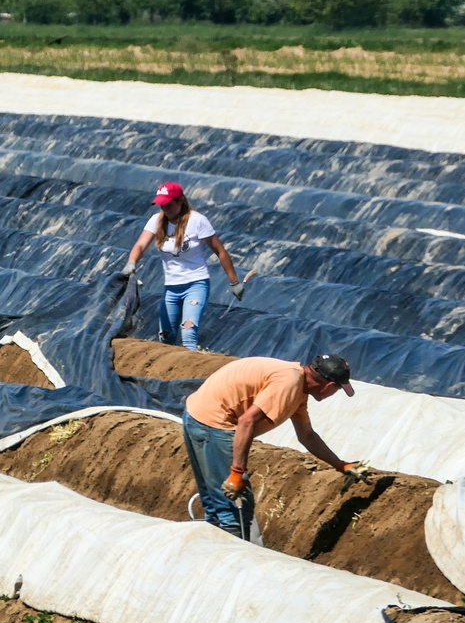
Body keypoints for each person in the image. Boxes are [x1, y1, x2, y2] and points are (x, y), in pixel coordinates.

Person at [181, 353, 370, 539]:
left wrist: (340, 464)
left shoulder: (298, 385)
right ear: (329, 385)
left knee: (215, 505)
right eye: (337, 390)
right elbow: (247, 421)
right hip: (214, 424)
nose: (333, 394)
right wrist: (237, 472)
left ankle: (213, 550)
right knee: (235, 509)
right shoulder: (288, 384)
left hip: (198, 414)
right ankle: (231, 560)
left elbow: (307, 436)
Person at [123, 182, 244, 351]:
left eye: (168, 204)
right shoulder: (157, 221)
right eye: (161, 205)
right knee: (165, 336)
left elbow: (220, 251)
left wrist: (234, 282)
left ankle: (191, 374)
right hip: (171, 288)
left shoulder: (197, 221)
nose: (165, 208)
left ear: (180, 201)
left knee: (188, 333)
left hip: (196, 284)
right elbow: (140, 245)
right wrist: (131, 263)